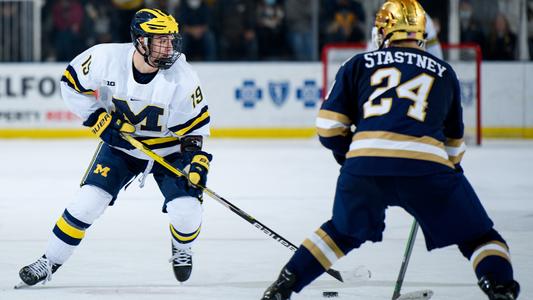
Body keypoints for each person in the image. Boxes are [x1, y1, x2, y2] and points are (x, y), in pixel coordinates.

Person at [261, 1, 520, 299]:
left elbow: (328, 128)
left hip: (364, 166)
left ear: (384, 31)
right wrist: (443, 172)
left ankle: (283, 287)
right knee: (478, 236)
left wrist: (352, 156)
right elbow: (454, 147)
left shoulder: (358, 64)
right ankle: (500, 289)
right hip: (426, 167)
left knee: (341, 232)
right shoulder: (445, 73)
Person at [17, 8, 212, 287]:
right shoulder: (104, 58)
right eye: (160, 40)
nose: (169, 47)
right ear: (140, 41)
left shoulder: (183, 78)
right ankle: (48, 261)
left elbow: (194, 131)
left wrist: (196, 163)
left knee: (187, 211)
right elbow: (70, 85)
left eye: (171, 39)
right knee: (86, 204)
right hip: (121, 148)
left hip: (168, 151)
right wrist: (96, 118)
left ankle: (182, 247)